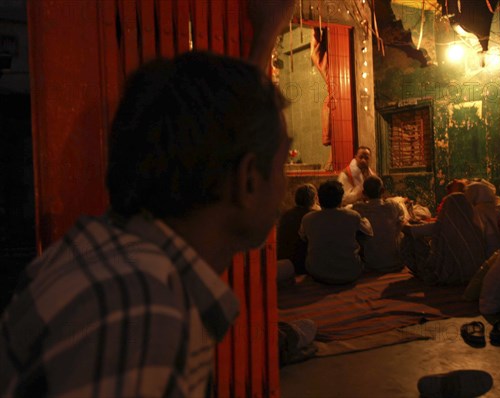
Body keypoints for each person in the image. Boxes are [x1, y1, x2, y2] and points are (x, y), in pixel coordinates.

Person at [0, 1, 295, 394]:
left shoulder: (104, 255)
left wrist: (264, 37)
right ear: (247, 181)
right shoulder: (143, 316)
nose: (285, 181)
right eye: (282, 163)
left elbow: (230, 132)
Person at [401, 192, 487, 285]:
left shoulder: (443, 225)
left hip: (448, 275)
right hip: (473, 273)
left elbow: (411, 231)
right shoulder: (476, 227)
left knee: (410, 239)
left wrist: (402, 222)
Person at [300, 180, 373, 284]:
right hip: (350, 272)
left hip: (317, 273)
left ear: (319, 200)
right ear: (341, 199)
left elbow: (303, 238)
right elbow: (369, 233)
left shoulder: (307, 218)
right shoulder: (353, 216)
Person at [352, 176, 406, 273]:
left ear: (364, 193)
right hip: (395, 263)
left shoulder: (358, 208)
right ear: (383, 191)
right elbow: (403, 220)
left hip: (371, 264)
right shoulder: (393, 206)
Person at [277, 183, 319, 275]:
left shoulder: (286, 215)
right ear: (314, 199)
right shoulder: (313, 217)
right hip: (302, 265)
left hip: (284, 262)